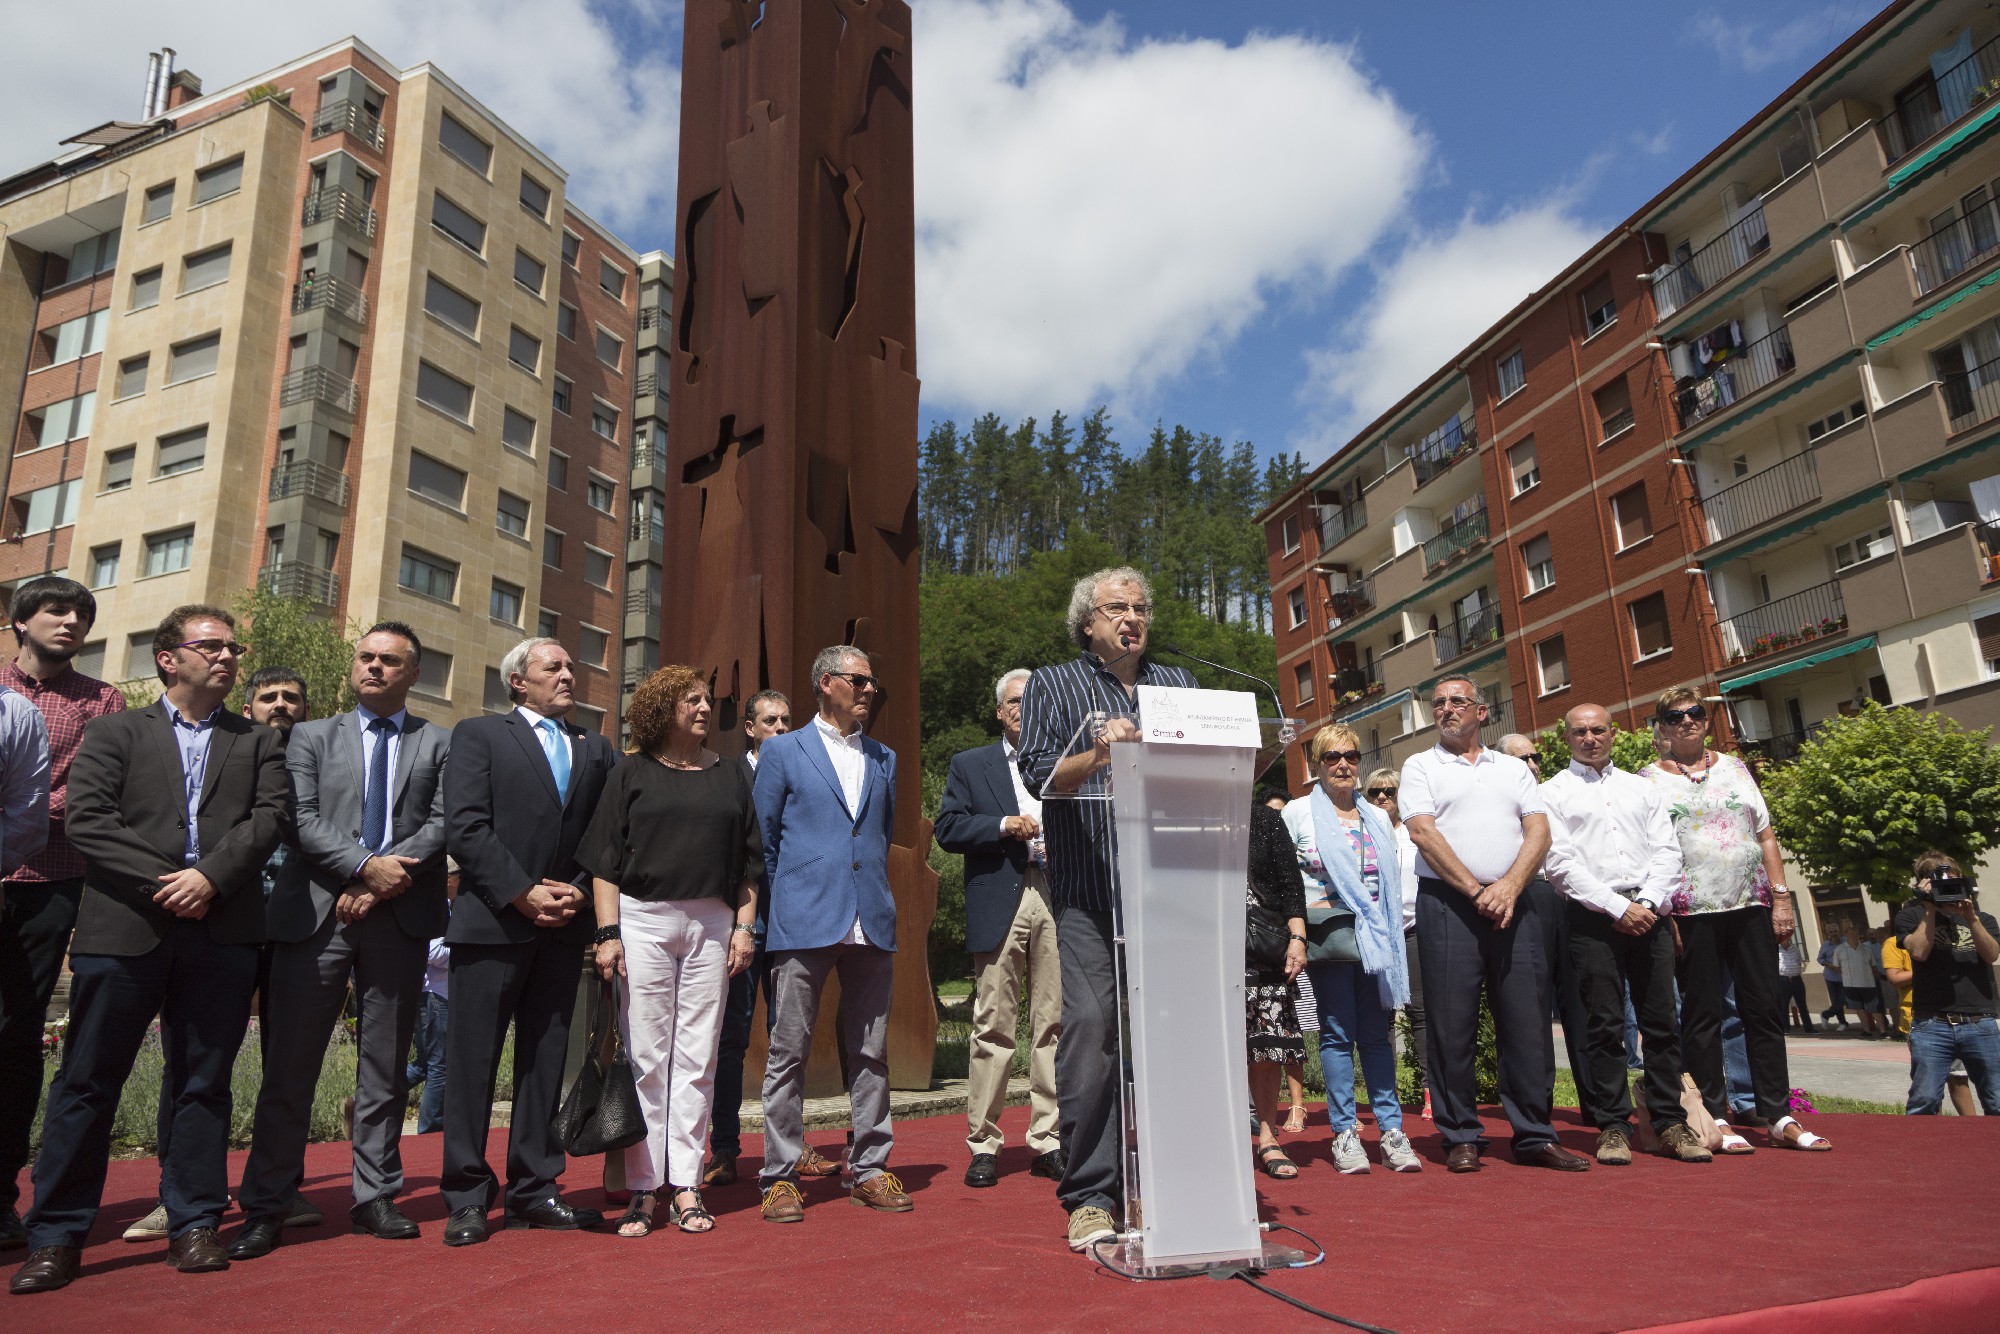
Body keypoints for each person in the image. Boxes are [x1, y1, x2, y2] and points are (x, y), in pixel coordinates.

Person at [11, 606, 288, 1294]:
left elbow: (269, 820)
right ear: (168, 658)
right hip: (127, 927)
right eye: (210, 646)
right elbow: (88, 819)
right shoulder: (113, 732)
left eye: (232, 648)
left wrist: (210, 878)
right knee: (86, 1081)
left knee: (203, 1083)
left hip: (221, 930)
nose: (226, 657)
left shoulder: (257, 743)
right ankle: (57, 1233)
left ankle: (194, 1221)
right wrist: (171, 882)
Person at [229, 624, 453, 1258]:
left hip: (398, 919)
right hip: (315, 919)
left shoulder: (439, 743)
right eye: (366, 658)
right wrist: (362, 866)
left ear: (413, 673)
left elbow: (442, 823)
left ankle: (374, 1195)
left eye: (390, 661)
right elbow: (297, 819)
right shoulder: (307, 736)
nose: (374, 668)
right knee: (290, 1066)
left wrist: (381, 880)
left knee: (385, 1067)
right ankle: (267, 1203)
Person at [1014, 566, 1197, 1252]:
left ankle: (1175, 1175)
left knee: (1172, 1037)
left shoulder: (1177, 685)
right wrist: (1095, 753)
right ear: (1087, 623)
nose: (1132, 617)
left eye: (1140, 606)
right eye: (1116, 608)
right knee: (1091, 1029)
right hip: (1091, 890)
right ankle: (1092, 1192)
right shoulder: (1055, 684)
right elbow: (1039, 774)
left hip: (1171, 890)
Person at [124, 666, 321, 1248]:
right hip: (219, 926)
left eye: (292, 696)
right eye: (269, 697)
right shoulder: (223, 753)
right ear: (248, 705)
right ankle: (176, 1193)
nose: (281, 705)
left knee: (286, 1067)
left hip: (295, 932)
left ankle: (277, 1187)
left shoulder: (316, 759)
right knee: (194, 1066)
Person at [437, 637, 617, 1247]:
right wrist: (521, 892)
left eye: (572, 665)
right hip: (492, 925)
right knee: (471, 1064)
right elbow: (465, 826)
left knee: (545, 1062)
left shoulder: (596, 750)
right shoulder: (479, 736)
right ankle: (465, 1196)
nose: (569, 674)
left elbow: (611, 833)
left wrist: (577, 889)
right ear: (518, 681)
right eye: (554, 667)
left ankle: (534, 1189)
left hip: (565, 930)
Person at [579, 665, 760, 1237]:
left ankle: (685, 1184)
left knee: (699, 1057)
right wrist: (607, 935)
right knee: (647, 1056)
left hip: (712, 921)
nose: (704, 708)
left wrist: (743, 928)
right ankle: (642, 1189)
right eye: (691, 700)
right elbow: (604, 862)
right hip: (643, 920)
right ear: (663, 708)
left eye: (706, 700)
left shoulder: (731, 775)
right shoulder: (630, 772)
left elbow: (751, 863)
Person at [1400, 676, 1584, 1173]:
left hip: (1515, 902)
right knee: (1449, 1024)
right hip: (1448, 905)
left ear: (1482, 712)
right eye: (1437, 703)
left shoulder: (1512, 768)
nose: (1445, 709)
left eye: (1457, 701)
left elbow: (1539, 829)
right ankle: (1460, 1135)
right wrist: (1477, 890)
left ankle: (1534, 1135)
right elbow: (1422, 831)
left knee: (1527, 1022)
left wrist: (1508, 886)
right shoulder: (1420, 766)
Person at [753, 646, 910, 1223]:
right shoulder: (783, 751)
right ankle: (780, 1175)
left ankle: (870, 1167)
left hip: (870, 917)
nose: (869, 689)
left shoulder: (883, 756)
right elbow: (763, 840)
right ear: (826, 684)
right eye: (858, 680)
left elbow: (876, 836)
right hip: (802, 918)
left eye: (872, 681)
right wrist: (780, 908)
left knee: (870, 1051)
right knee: (788, 1050)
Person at [1641, 686, 1829, 1152]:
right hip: (1692, 911)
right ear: (1662, 726)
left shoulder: (1735, 767)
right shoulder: (1645, 781)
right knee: (1702, 1016)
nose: (1686, 720)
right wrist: (1666, 913)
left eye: (1695, 712)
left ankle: (1777, 1114)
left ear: (1706, 720)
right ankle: (1717, 1117)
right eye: (1675, 715)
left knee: (1764, 1009)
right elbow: (1650, 851)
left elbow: (1764, 835)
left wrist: (1781, 898)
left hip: (1751, 905)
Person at [0, 577, 117, 1252]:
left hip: (49, 883)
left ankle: (5, 1197)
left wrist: (21, 815)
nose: (70, 621)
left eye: (81, 614)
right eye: (55, 610)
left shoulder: (101, 699)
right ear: (20, 621)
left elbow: (90, 793)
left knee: (18, 1035)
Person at [1540, 705, 1710, 1165]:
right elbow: (1560, 864)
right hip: (1593, 918)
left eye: (1598, 730)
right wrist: (1618, 907)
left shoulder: (1642, 788)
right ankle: (1613, 1124)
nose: (1590, 738)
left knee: (1661, 1023)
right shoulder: (1551, 793)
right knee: (1604, 1025)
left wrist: (1649, 904)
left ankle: (1670, 1123)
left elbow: (1668, 852)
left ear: (1613, 734)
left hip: (1650, 913)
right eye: (1580, 731)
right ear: (1568, 739)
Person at [935, 668, 1064, 1189]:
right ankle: (985, 1143)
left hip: (1057, 893)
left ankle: (1048, 1140)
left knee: (1053, 1023)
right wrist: (1002, 826)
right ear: (998, 711)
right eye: (1014, 702)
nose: (1022, 709)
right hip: (1000, 898)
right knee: (993, 1026)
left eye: (1031, 701)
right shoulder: (971, 764)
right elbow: (947, 828)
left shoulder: (1063, 762)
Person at [1283, 726, 1418, 1173]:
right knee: (1338, 1035)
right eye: (1332, 757)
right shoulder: (1299, 813)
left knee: (1377, 1036)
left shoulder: (1377, 817)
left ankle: (1392, 1131)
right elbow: (1287, 882)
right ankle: (1344, 1133)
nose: (1344, 765)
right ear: (1317, 765)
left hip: (1377, 939)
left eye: (1352, 756)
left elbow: (1389, 882)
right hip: (1329, 938)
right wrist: (1296, 934)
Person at [706, 688, 791, 1188]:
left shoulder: (804, 769)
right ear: (751, 727)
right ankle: (723, 1149)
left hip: (792, 926)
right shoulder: (730, 775)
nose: (780, 728)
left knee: (788, 1041)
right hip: (740, 926)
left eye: (786, 720)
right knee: (731, 1040)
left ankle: (789, 1150)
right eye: (770, 721)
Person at [1894, 853, 1999, 1115]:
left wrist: (1971, 917)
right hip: (1932, 1024)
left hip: (1980, 1022)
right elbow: (1918, 952)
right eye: (1940, 883)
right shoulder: (1911, 917)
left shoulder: (1983, 918)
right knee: (1925, 1100)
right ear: (1923, 884)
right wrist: (1929, 907)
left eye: (1953, 881)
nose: (1948, 888)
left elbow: (1992, 954)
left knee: (1997, 1099)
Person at [1246, 799, 1309, 1179]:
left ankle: (1268, 1137)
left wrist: (1298, 938)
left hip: (1262, 943)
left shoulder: (1265, 818)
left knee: (1267, 1044)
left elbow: (1290, 883)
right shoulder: (1183, 813)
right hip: (1199, 942)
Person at [1363, 765, 1425, 1115]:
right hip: (1378, 932)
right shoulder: (1365, 835)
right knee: (1381, 1015)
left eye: (1390, 791)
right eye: (1376, 792)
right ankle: (1385, 1093)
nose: (1384, 797)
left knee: (1420, 1011)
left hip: (1415, 929)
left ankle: (1430, 1091)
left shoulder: (1414, 833)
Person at [405, 859, 457, 1134]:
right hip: (437, 996)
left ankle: (365, 1100)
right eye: (459, 875)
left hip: (437, 995)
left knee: (426, 1064)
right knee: (439, 1066)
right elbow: (432, 952)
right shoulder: (439, 907)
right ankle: (430, 1128)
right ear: (448, 878)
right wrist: (465, 950)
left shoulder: (449, 906)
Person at [1833, 922, 1884, 1038]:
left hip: (1868, 984)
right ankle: (1867, 1030)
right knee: (1859, 1009)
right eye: (1851, 933)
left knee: (1874, 1009)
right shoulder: (1839, 949)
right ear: (1846, 935)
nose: (1853, 936)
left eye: (1855, 933)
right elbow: (1836, 967)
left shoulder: (1866, 949)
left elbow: (1873, 965)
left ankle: (1883, 1031)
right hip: (1850, 984)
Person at [1778, 936, 1816, 1033]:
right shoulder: (1776, 949)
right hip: (1783, 979)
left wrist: (1795, 972)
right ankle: (1785, 1029)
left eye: (1786, 937)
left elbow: (1799, 962)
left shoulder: (1795, 948)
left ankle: (1809, 1028)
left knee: (1802, 1005)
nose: (1785, 939)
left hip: (1796, 979)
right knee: (1784, 1005)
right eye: (1783, 937)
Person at [1817, 935, 1850, 1030]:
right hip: (1830, 976)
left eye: (1835, 931)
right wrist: (1830, 965)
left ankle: (1825, 1015)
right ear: (1828, 933)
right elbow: (1820, 959)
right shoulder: (1825, 945)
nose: (1833, 934)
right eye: (1831, 932)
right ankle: (1842, 1023)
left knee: (1844, 999)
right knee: (1836, 1001)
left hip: (1845, 976)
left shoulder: (1845, 942)